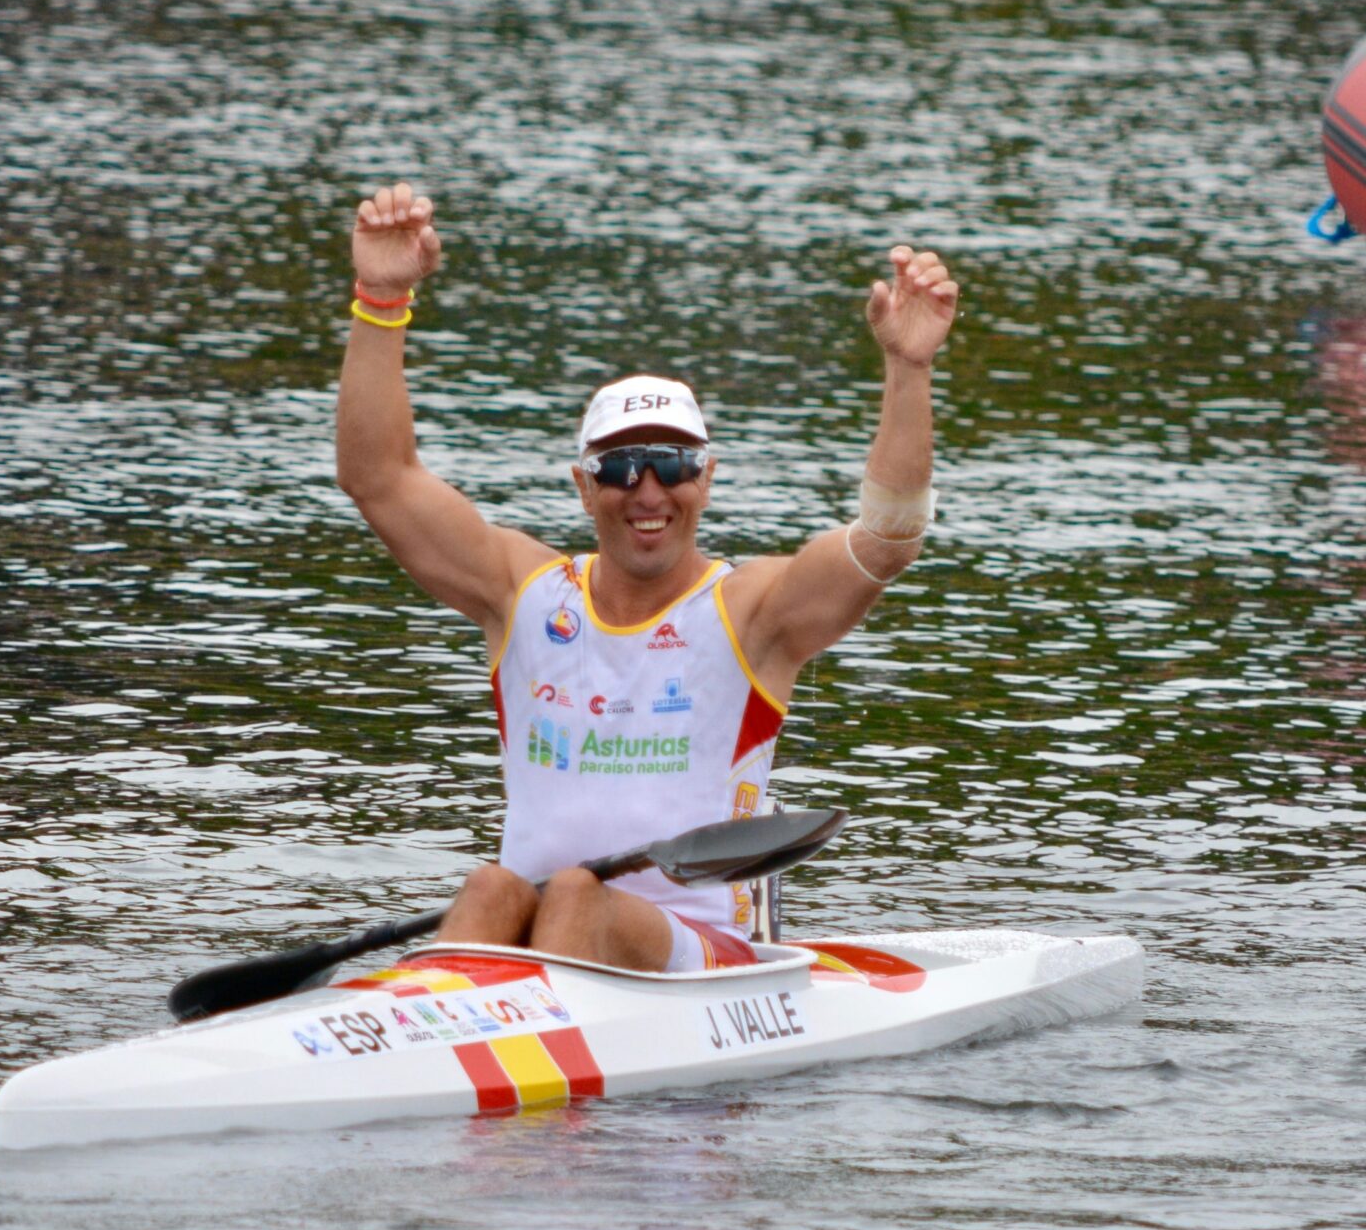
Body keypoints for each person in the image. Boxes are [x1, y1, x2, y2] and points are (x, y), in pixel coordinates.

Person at [331, 183, 956, 973]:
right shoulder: (523, 592)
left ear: (707, 477)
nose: (649, 490)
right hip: (537, 927)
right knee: (494, 884)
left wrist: (908, 367)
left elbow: (887, 538)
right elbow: (378, 479)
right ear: (584, 486)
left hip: (705, 955)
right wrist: (381, 299)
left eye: (672, 463)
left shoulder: (751, 611)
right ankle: (438, 1022)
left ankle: (511, 1031)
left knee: (574, 893)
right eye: (622, 466)